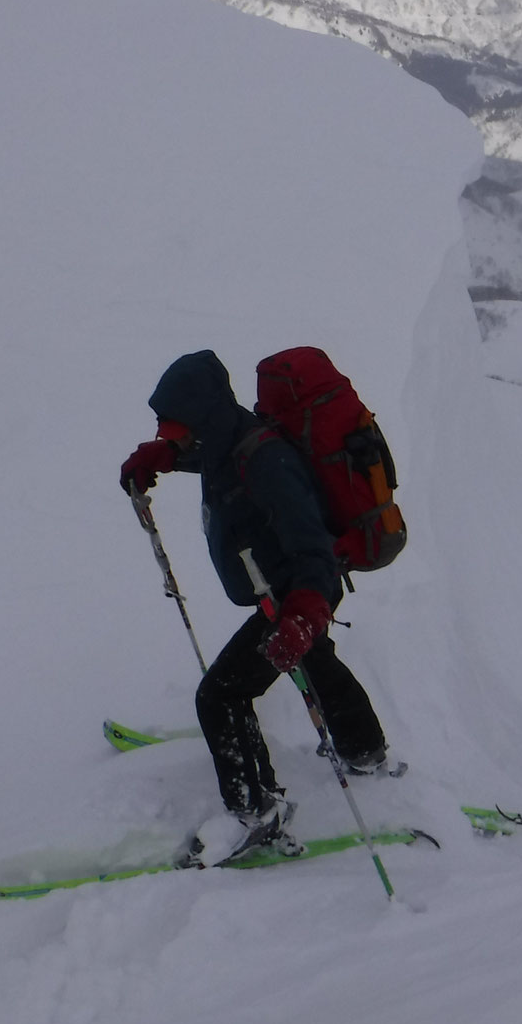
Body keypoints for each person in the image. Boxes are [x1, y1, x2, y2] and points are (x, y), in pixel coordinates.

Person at [120, 349, 390, 864]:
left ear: (201, 418)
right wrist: (164, 458)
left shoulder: (265, 459)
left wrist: (303, 615)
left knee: (221, 695)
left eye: (173, 428)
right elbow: (209, 454)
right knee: (317, 663)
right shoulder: (230, 441)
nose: (168, 435)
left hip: (293, 596)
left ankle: (254, 813)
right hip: (283, 595)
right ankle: (366, 752)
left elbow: (312, 547)